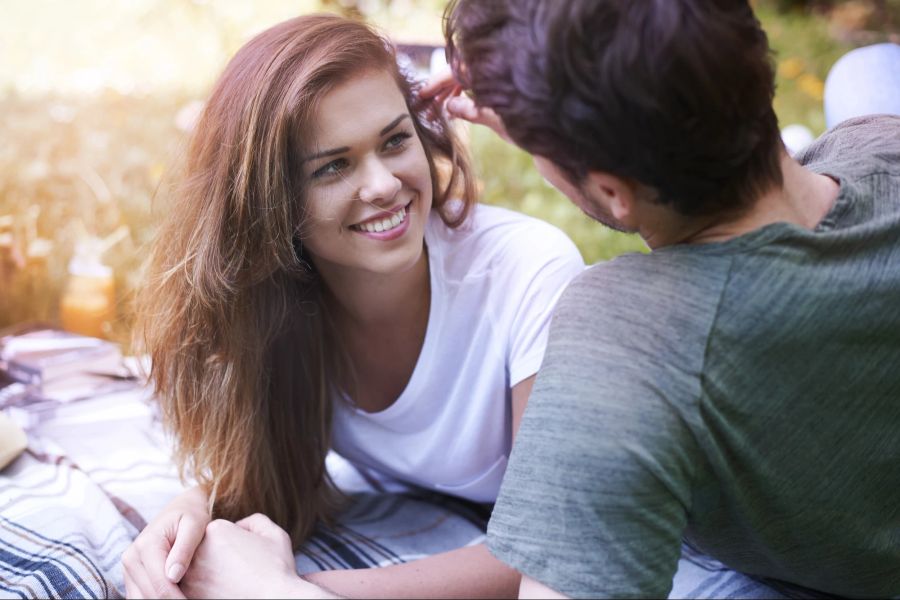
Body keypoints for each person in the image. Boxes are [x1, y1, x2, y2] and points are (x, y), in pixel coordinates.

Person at [426, 1, 900, 598]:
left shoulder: (630, 340)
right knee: (868, 70)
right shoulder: (880, 143)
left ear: (610, 192)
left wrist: (278, 587)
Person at [121, 13, 584, 599]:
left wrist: (290, 589)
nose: (384, 184)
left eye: (395, 141)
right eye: (334, 166)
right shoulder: (275, 304)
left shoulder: (528, 272)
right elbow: (270, 472)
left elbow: (552, 552)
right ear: (271, 202)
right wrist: (194, 509)